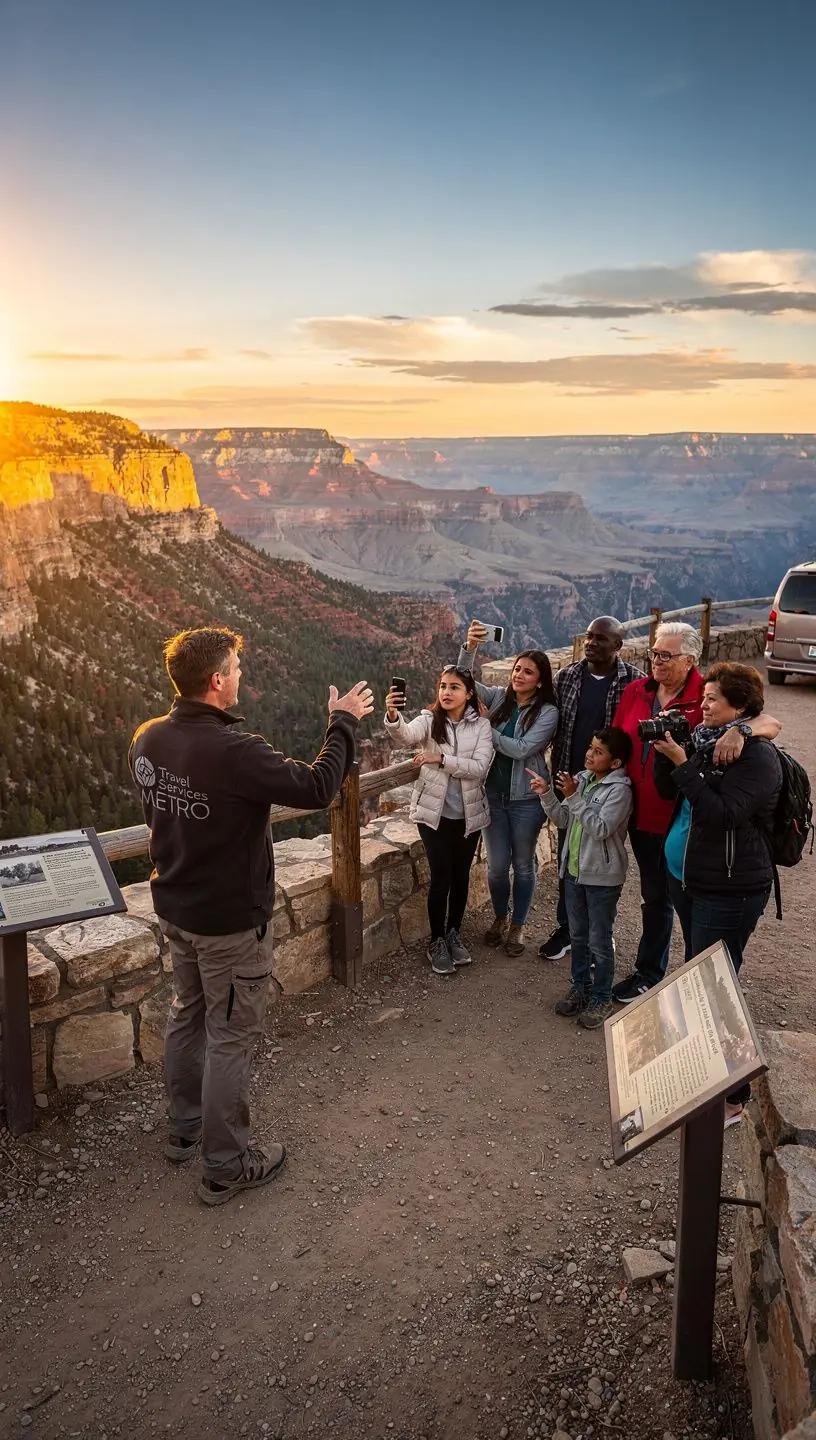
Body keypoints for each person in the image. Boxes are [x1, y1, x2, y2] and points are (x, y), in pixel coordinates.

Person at [129, 626, 374, 1206]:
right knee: (230, 1038)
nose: (242, 676)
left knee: (187, 1015)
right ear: (217, 680)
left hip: (176, 908)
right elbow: (317, 787)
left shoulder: (148, 738)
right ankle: (224, 1167)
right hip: (228, 923)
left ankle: (184, 1129)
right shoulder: (237, 751)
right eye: (237, 668)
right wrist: (341, 723)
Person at [610, 623, 781, 1005]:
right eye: (654, 653)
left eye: (665, 655)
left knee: (709, 971)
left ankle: (700, 1023)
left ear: (689, 660)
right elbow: (666, 781)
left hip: (722, 876)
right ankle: (655, 980)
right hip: (671, 848)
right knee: (670, 920)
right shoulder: (681, 720)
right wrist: (665, 757)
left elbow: (723, 813)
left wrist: (739, 734)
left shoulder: (747, 748)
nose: (657, 660)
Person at [652, 662, 783, 1126]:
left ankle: (733, 1096)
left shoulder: (757, 757)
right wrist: (666, 752)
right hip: (688, 878)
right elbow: (669, 793)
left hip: (729, 889)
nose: (703, 705)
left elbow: (723, 814)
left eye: (713, 699)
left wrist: (683, 763)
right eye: (704, 697)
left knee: (715, 988)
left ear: (740, 707)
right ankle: (703, 1073)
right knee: (699, 978)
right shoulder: (707, 741)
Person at [538, 616, 644, 962]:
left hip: (608, 787)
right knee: (569, 854)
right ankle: (567, 929)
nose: (591, 643)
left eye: (600, 638)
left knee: (600, 857)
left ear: (618, 645)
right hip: (571, 781)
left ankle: (600, 933)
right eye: (588, 636)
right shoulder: (567, 677)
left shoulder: (635, 682)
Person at [384, 666, 493, 975]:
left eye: (454, 687)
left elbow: (480, 767)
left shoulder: (481, 727)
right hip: (434, 815)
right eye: (443, 686)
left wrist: (440, 759)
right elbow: (405, 736)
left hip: (468, 815)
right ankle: (436, 940)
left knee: (460, 877)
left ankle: (454, 933)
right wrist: (393, 715)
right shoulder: (429, 720)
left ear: (468, 693)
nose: (446, 692)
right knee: (441, 877)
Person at [458, 623, 558, 956]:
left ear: (540, 680)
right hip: (494, 797)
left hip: (527, 800)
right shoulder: (500, 698)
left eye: (527, 672)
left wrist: (486, 726)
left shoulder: (548, 713)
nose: (519, 675)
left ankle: (518, 925)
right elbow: (464, 682)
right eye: (517, 669)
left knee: (524, 866)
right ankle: (500, 917)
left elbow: (521, 749)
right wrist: (469, 648)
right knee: (498, 867)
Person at [530, 728, 633, 1028]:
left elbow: (601, 828)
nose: (589, 754)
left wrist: (574, 796)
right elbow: (563, 819)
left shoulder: (619, 791)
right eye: (590, 747)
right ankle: (581, 988)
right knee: (577, 936)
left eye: (598, 751)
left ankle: (601, 998)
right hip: (574, 873)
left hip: (602, 878)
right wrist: (546, 794)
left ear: (615, 763)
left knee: (599, 941)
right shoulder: (583, 779)